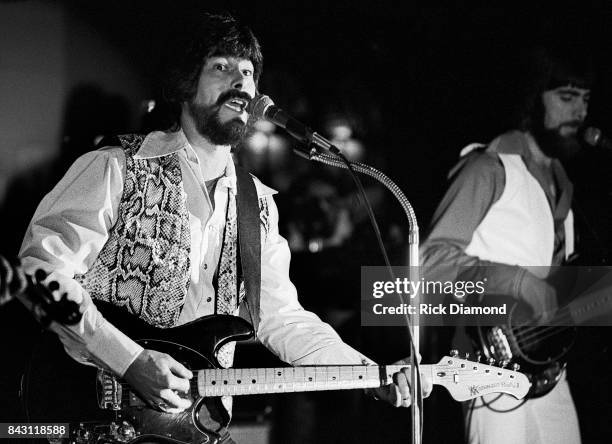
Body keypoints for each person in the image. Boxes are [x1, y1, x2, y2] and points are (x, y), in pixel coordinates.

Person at [16, 13, 427, 442]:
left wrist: (368, 374)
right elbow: (39, 273)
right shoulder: (117, 167)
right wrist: (128, 360)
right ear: (185, 84)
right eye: (222, 67)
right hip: (94, 415)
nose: (240, 82)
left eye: (247, 73)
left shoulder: (258, 203)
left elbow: (281, 319)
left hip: (200, 425)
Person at [421, 46, 591, 444]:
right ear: (534, 99)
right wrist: (517, 282)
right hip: (489, 367)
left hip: (548, 367)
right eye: (566, 98)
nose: (580, 113)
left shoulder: (562, 181)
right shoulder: (489, 167)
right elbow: (429, 261)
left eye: (585, 100)